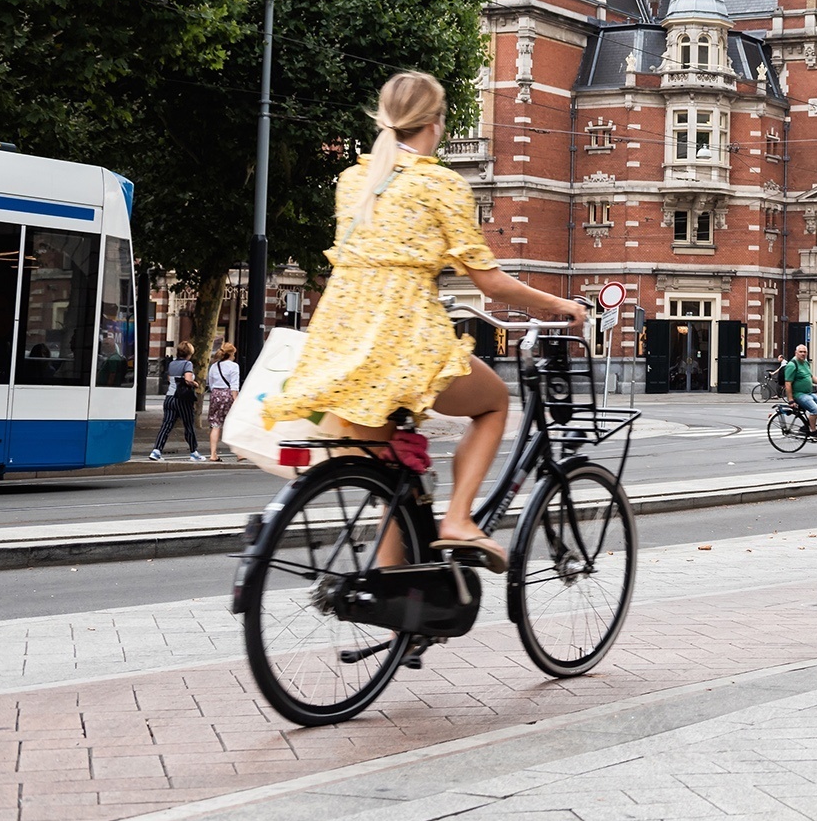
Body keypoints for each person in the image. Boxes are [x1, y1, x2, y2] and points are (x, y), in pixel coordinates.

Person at [260, 72, 587, 571]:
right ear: (435, 123)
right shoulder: (439, 183)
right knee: (494, 402)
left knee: (394, 483)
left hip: (343, 342)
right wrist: (560, 306)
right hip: (403, 338)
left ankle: (398, 622)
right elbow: (491, 283)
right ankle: (458, 519)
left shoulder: (353, 181)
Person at [149, 342, 203, 461]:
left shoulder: (172, 363)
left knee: (166, 425)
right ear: (189, 353)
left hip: (169, 397)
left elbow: (169, 378)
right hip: (182, 399)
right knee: (188, 425)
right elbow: (188, 379)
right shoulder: (187, 364)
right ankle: (194, 452)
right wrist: (195, 384)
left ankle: (156, 450)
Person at [205, 342, 241, 462]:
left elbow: (210, 383)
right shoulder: (234, 366)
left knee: (215, 425)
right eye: (234, 354)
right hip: (228, 395)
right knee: (233, 424)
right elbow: (234, 386)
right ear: (231, 354)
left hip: (215, 395)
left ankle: (213, 454)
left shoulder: (214, 366)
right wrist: (236, 401)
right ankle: (238, 453)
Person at [782, 342, 817, 437]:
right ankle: (813, 431)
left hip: (808, 393)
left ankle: (806, 426)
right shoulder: (792, 365)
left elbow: (811, 376)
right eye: (801, 352)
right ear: (796, 352)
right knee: (815, 410)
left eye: (805, 352)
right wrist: (791, 400)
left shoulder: (806, 363)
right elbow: (788, 383)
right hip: (799, 394)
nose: (803, 354)